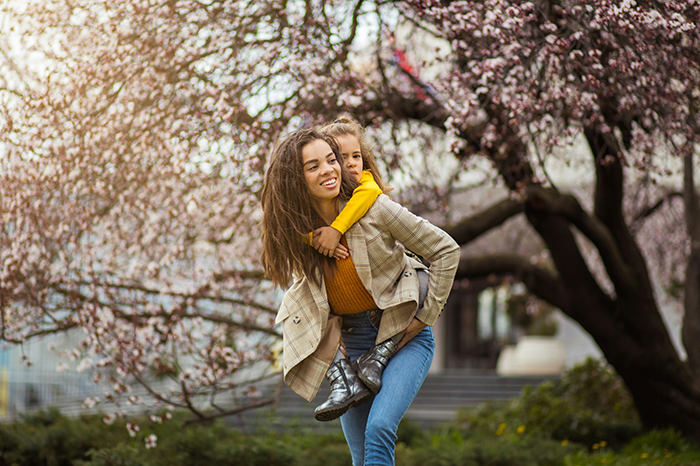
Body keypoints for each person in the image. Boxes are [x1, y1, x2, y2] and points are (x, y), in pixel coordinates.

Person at [260, 128, 459, 466]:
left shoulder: (376, 209)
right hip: (352, 346)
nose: (329, 169)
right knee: (360, 456)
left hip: (401, 336)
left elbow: (445, 250)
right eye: (313, 166)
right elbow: (307, 294)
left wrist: (426, 315)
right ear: (296, 180)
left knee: (379, 428)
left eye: (331, 160)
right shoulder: (297, 233)